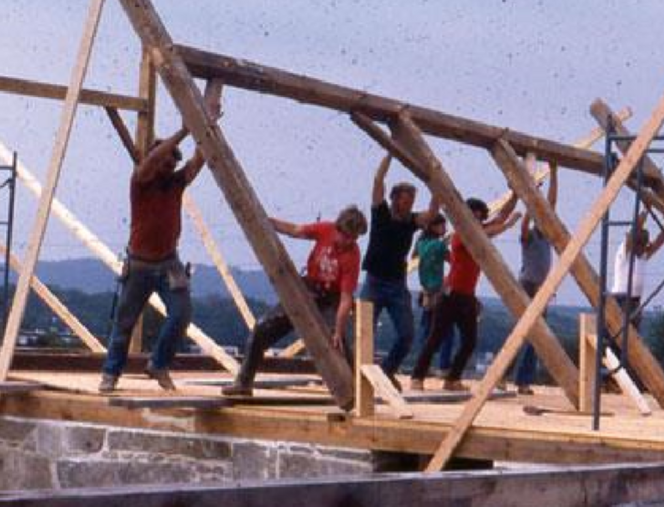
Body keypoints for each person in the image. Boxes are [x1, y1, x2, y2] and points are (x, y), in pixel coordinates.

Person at [98, 109, 218, 393]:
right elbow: (151, 161)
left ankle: (159, 363)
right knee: (124, 324)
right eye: (163, 160)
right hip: (139, 265)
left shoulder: (175, 184)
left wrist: (206, 128)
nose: (166, 166)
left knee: (181, 314)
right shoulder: (141, 181)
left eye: (169, 162)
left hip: (168, 264)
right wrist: (185, 131)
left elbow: (199, 160)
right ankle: (110, 374)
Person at [223, 205, 368, 403]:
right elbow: (295, 230)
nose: (348, 242)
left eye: (354, 238)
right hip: (307, 289)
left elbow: (345, 298)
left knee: (341, 342)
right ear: (339, 229)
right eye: (346, 237)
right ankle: (244, 382)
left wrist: (338, 330)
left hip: (330, 299)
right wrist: (267, 222)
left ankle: (356, 395)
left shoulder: (352, 255)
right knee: (262, 327)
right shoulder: (325, 229)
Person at [410, 193, 519, 391]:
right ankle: (417, 376)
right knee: (436, 337)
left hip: (467, 296)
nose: (477, 219)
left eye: (479, 216)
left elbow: (501, 216)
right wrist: (508, 225)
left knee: (469, 341)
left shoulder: (477, 232)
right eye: (474, 216)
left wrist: (515, 195)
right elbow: (495, 228)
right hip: (450, 295)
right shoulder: (461, 235)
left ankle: (452, 379)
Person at [360, 155, 439, 377]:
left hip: (396, 284)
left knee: (406, 335)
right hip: (374, 281)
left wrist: (436, 185)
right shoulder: (381, 212)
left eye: (412, 202)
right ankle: (361, 376)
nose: (409, 206)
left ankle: (386, 373)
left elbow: (431, 213)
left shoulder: (412, 221)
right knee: (365, 333)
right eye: (405, 202)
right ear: (395, 199)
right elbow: (378, 181)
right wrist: (389, 153)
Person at [511, 162, 558, 394]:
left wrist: (555, 174)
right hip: (528, 285)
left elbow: (551, 206)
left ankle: (523, 380)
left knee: (536, 336)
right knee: (522, 332)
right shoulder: (529, 237)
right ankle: (505, 376)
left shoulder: (547, 237)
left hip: (541, 288)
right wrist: (531, 199)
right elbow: (524, 224)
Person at [610, 199, 664, 323]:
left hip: (635, 301)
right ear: (636, 243)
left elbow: (660, 241)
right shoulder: (625, 252)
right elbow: (634, 230)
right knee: (620, 336)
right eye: (642, 244)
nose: (645, 247)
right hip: (621, 299)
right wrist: (645, 211)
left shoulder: (642, 255)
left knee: (632, 335)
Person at [414, 215, 455, 372]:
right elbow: (453, 260)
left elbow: (414, 257)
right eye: (442, 226)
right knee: (447, 331)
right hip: (438, 290)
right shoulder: (439, 245)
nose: (444, 229)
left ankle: (422, 365)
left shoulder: (421, 243)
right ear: (433, 227)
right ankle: (444, 366)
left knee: (426, 328)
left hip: (425, 290)